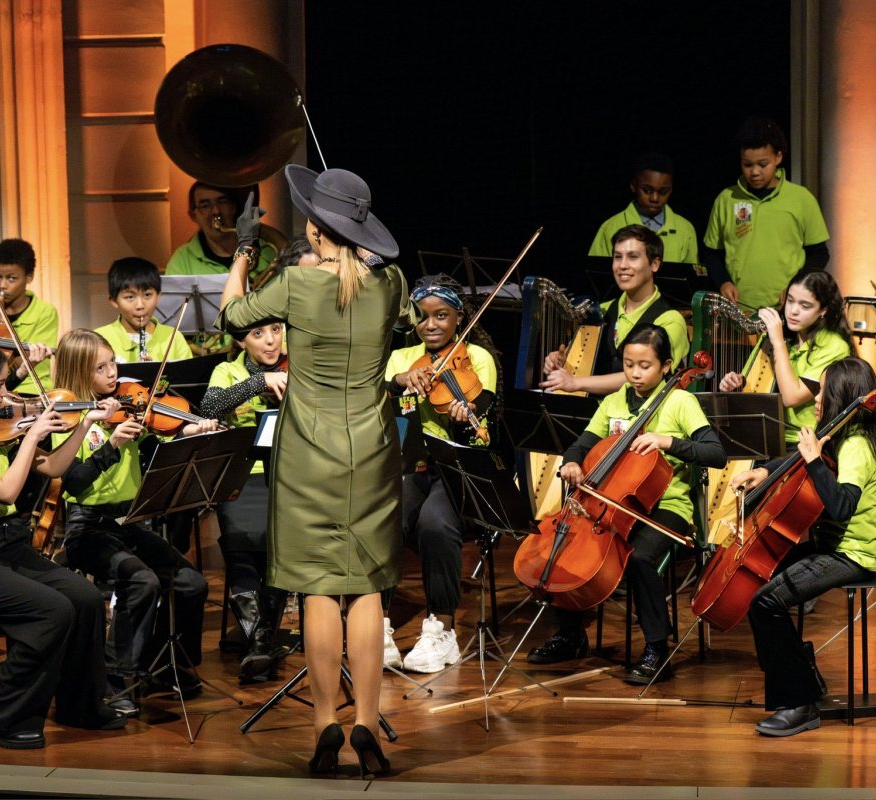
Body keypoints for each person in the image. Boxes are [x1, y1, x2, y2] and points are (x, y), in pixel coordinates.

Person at [218, 165, 416, 776]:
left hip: (307, 448)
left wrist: (246, 250)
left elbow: (230, 315)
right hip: (374, 446)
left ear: (317, 230)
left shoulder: (296, 287)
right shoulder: (391, 281)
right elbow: (399, 321)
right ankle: (367, 724)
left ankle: (324, 721)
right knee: (366, 586)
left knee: (318, 587)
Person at [0, 339, 129, 749]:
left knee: (85, 597)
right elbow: (4, 491)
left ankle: (80, 705)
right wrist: (33, 435)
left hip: (8, 546)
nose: (7, 395)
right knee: (51, 611)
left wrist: (85, 425)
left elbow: (53, 467)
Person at [528, 325, 727, 683]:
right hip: (616, 504)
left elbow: (716, 453)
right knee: (569, 546)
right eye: (629, 364)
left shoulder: (680, 401)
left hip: (668, 506)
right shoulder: (615, 400)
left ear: (666, 366)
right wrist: (572, 462)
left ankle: (656, 648)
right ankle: (571, 634)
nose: (635, 373)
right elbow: (583, 443)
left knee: (640, 557)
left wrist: (668, 441)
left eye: (645, 366)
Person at [52, 329, 212, 713]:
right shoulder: (68, 419)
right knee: (143, 581)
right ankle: (113, 676)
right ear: (78, 372)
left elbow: (160, 430)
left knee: (191, 583)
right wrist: (111, 445)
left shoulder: (124, 405)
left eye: (113, 364)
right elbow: (73, 481)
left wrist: (193, 427)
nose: (113, 374)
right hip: (87, 526)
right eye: (101, 368)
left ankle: (164, 666)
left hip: (130, 521)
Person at [735, 357, 876, 737]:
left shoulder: (855, 446)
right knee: (762, 576)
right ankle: (802, 675)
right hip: (833, 546)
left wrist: (813, 461)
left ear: (841, 396)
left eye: (822, 391)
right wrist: (766, 470)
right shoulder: (842, 434)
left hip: (853, 555)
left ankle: (799, 704)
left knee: (766, 603)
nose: (816, 398)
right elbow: (803, 459)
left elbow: (839, 506)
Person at [382, 275, 499, 674]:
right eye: (422, 317)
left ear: (458, 318)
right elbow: (377, 401)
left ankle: (442, 628)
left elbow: (482, 428)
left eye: (442, 316)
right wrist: (399, 383)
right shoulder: (402, 359)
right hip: (410, 462)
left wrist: (464, 418)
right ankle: (375, 624)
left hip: (458, 468)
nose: (431, 325)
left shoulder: (477, 359)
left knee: (434, 524)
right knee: (385, 518)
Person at [200, 320, 290, 680]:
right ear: (240, 341)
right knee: (240, 543)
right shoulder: (228, 370)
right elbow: (209, 406)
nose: (270, 341)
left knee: (280, 545)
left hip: (291, 475)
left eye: (275, 330)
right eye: (257, 335)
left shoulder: (298, 361)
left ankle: (259, 644)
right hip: (243, 474)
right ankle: (262, 640)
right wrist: (258, 382)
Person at [541, 225, 689, 396]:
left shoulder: (670, 319)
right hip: (597, 410)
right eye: (618, 257)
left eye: (633, 257)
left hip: (642, 416)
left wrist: (577, 382)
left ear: (654, 264)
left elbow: (640, 377)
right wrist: (561, 362)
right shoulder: (601, 310)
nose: (622, 266)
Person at [702, 116, 830, 311]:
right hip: (738, 311)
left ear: (778, 157)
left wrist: (797, 287)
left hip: (787, 310)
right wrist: (723, 282)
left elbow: (819, 254)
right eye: (747, 165)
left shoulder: (801, 199)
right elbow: (712, 253)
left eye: (762, 164)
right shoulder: (726, 199)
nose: (754, 172)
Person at [718, 269, 854, 448]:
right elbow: (748, 385)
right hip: (765, 435)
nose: (793, 311)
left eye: (805, 306)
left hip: (803, 443)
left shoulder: (834, 346)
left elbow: (791, 397)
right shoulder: (778, 335)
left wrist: (779, 343)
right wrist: (735, 383)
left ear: (824, 310)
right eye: (790, 301)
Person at [589, 153, 699, 264]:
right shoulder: (610, 227)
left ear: (671, 190)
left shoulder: (685, 229)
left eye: (663, 192)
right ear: (633, 186)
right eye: (647, 190)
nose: (655, 198)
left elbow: (691, 277)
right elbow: (597, 274)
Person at [167, 182, 278, 285]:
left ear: (233, 207)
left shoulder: (267, 250)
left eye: (222, 201)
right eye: (205, 205)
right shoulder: (181, 260)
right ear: (193, 216)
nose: (216, 211)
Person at [0, 238, 59, 392]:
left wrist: (1, 319)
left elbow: (22, 362)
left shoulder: (45, 312)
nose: (2, 285)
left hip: (31, 389)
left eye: (11, 278)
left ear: (29, 277)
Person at [95, 257, 193, 364]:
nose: (140, 305)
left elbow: (189, 377)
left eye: (147, 295)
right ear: (114, 300)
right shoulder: (98, 339)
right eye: (130, 297)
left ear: (158, 296)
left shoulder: (174, 337)